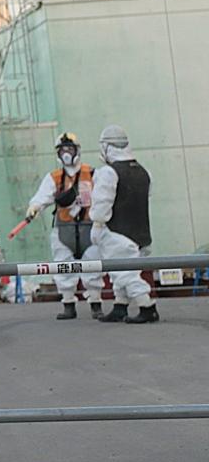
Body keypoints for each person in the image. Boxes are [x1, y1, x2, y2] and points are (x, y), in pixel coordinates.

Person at [23, 132, 106, 319]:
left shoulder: (93, 173)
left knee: (93, 266)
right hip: (64, 230)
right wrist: (34, 207)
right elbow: (42, 196)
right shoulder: (55, 177)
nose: (66, 153)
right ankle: (68, 304)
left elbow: (106, 196)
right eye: (62, 150)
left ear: (77, 151)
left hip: (89, 228)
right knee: (63, 266)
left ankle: (95, 303)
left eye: (69, 149)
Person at [91, 124, 157, 324]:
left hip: (116, 231)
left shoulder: (108, 172)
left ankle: (147, 306)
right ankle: (120, 306)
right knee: (121, 270)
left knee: (124, 272)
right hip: (141, 232)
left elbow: (102, 204)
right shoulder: (144, 172)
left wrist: (97, 225)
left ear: (106, 147)